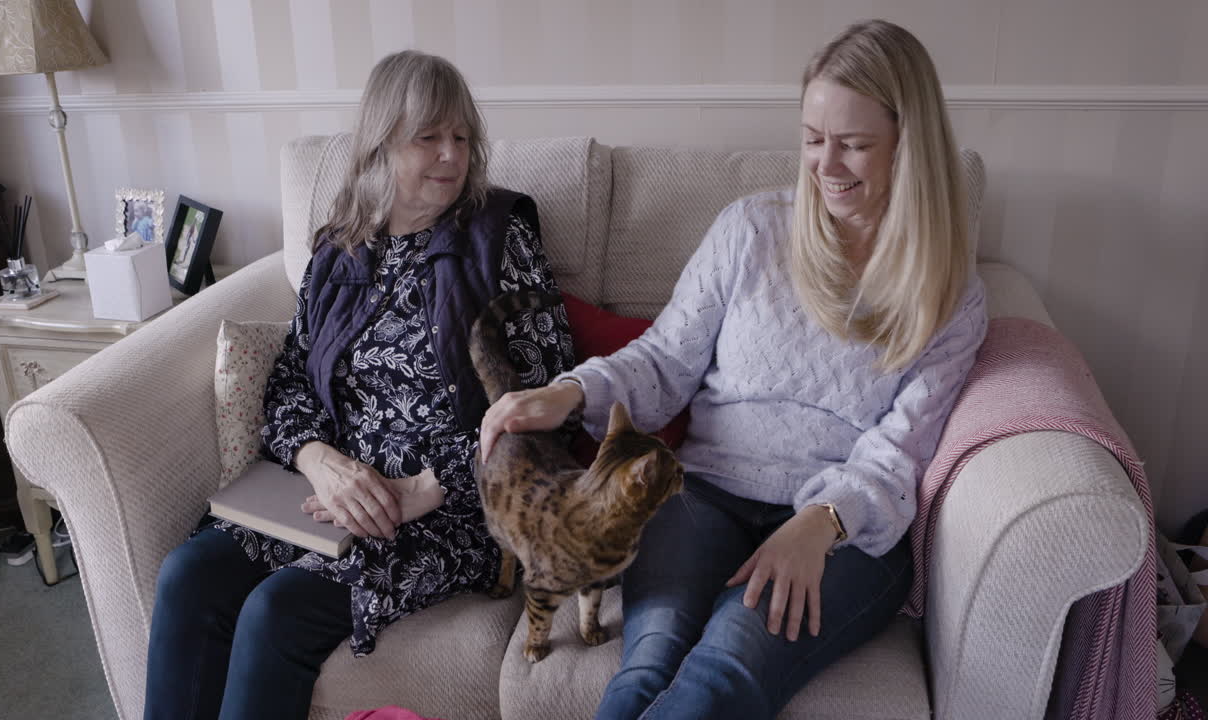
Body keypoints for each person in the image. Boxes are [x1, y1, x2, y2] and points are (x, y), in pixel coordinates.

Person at [479, 19, 988, 720]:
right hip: (704, 495)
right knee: (646, 666)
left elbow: (900, 449)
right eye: (813, 140)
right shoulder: (750, 230)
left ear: (911, 145)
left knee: (722, 674)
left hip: (842, 529)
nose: (826, 165)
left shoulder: (950, 297)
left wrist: (821, 521)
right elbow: (662, 363)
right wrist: (569, 393)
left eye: (855, 144)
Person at [144, 50, 574, 720]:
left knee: (274, 611)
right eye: (427, 136)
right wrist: (322, 463)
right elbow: (289, 384)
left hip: (447, 512)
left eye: (461, 137)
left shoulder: (498, 240)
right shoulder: (340, 251)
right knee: (188, 577)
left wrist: (422, 490)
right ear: (380, 143)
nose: (450, 155)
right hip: (329, 496)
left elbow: (547, 406)